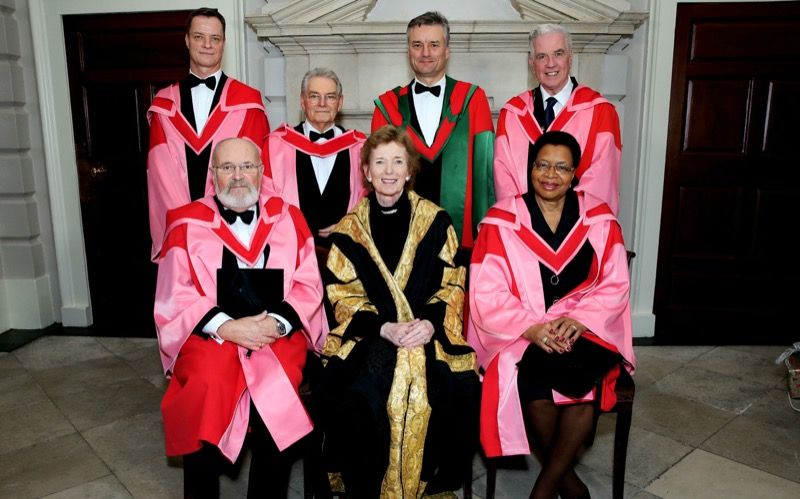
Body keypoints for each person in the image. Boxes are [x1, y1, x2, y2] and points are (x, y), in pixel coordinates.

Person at [154, 138, 325, 498]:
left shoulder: (288, 216)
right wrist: (227, 327)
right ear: (212, 173)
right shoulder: (184, 222)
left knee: (274, 388)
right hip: (210, 334)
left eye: (246, 166)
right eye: (227, 167)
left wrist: (274, 324)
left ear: (261, 172)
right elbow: (174, 292)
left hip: (275, 333)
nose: (237, 176)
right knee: (204, 385)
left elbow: (308, 283)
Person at [468, 131, 634, 498]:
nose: (550, 175)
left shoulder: (599, 219)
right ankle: (570, 486)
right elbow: (486, 290)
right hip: (524, 329)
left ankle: (544, 489)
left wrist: (581, 319)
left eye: (561, 167)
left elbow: (615, 281)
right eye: (542, 164)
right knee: (532, 382)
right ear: (530, 169)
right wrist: (530, 328)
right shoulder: (502, 220)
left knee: (584, 382)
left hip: (584, 327)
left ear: (575, 173)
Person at [319, 126, 480, 498]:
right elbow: (343, 296)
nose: (388, 171)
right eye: (379, 162)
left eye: (397, 162)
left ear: (410, 171)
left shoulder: (437, 222)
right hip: (373, 334)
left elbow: (453, 284)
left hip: (429, 332)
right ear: (366, 171)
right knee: (361, 393)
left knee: (454, 388)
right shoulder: (348, 231)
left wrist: (429, 323)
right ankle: (368, 489)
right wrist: (384, 328)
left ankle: (430, 487)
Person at [147, 7, 269, 261]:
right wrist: (188, 222)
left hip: (233, 226)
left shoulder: (248, 102)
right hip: (181, 228)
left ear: (224, 43)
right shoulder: (164, 104)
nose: (207, 45)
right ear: (187, 40)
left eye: (215, 38)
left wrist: (217, 220)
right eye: (199, 37)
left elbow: (253, 169)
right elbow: (161, 175)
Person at [372, 11, 494, 251]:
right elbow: (376, 178)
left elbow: (485, 175)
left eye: (434, 45)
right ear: (408, 51)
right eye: (417, 45)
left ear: (447, 50)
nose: (425, 52)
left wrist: (485, 236)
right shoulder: (387, 107)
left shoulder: (473, 100)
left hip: (462, 240)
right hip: (400, 240)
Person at [493, 24, 622, 215]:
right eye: (541, 56)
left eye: (558, 53)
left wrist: (561, 224)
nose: (550, 63)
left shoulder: (600, 111)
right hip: (523, 228)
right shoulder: (512, 114)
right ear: (531, 62)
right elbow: (504, 179)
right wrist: (525, 221)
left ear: (570, 58)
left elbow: (601, 181)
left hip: (578, 229)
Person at [263, 68, 366, 248]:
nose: (322, 103)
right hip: (292, 250)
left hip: (347, 250)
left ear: (339, 103)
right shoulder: (276, 145)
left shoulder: (360, 147)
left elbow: (370, 200)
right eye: (314, 96)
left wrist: (351, 225)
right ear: (303, 102)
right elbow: (265, 199)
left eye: (330, 97)